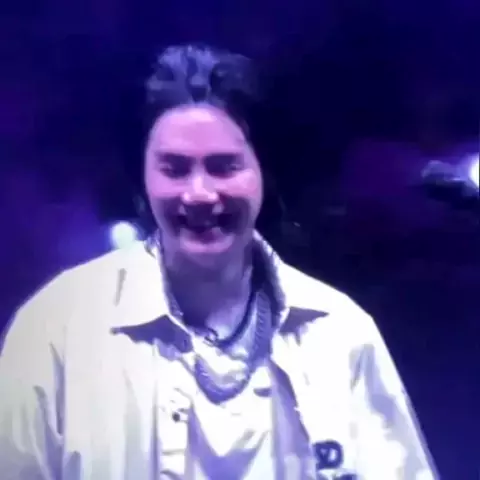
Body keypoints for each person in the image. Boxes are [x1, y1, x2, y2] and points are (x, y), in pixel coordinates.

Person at [0, 43, 438, 479]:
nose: (199, 194)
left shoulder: (339, 333)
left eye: (224, 166)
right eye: (174, 169)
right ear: (142, 179)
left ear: (265, 172)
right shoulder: (57, 328)